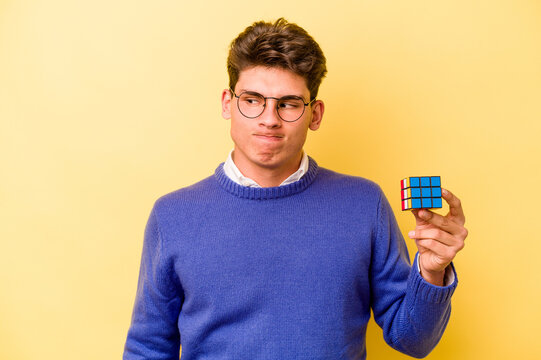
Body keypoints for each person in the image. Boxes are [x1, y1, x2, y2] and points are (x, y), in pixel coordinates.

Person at [123, 18, 467, 360]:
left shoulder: (364, 204)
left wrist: (432, 271)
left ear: (314, 114)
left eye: (287, 103)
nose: (269, 118)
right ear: (228, 103)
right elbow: (148, 348)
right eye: (253, 99)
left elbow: (413, 340)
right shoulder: (173, 215)